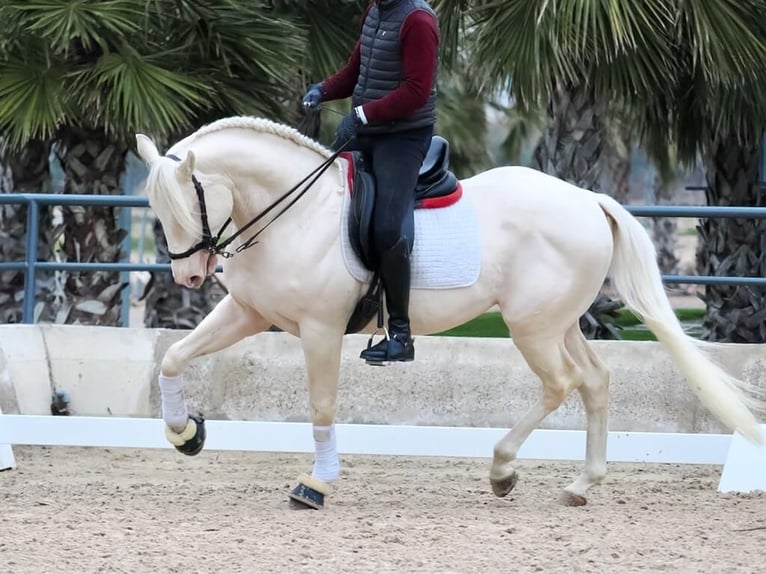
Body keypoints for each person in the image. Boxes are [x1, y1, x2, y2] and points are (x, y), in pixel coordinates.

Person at [302, 0, 440, 364]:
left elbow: (416, 91)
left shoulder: (418, 20)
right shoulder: (376, 11)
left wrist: (361, 115)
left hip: (404, 137)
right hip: (369, 128)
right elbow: (356, 72)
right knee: (320, 197)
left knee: (385, 227)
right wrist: (324, 89)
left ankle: (400, 334)